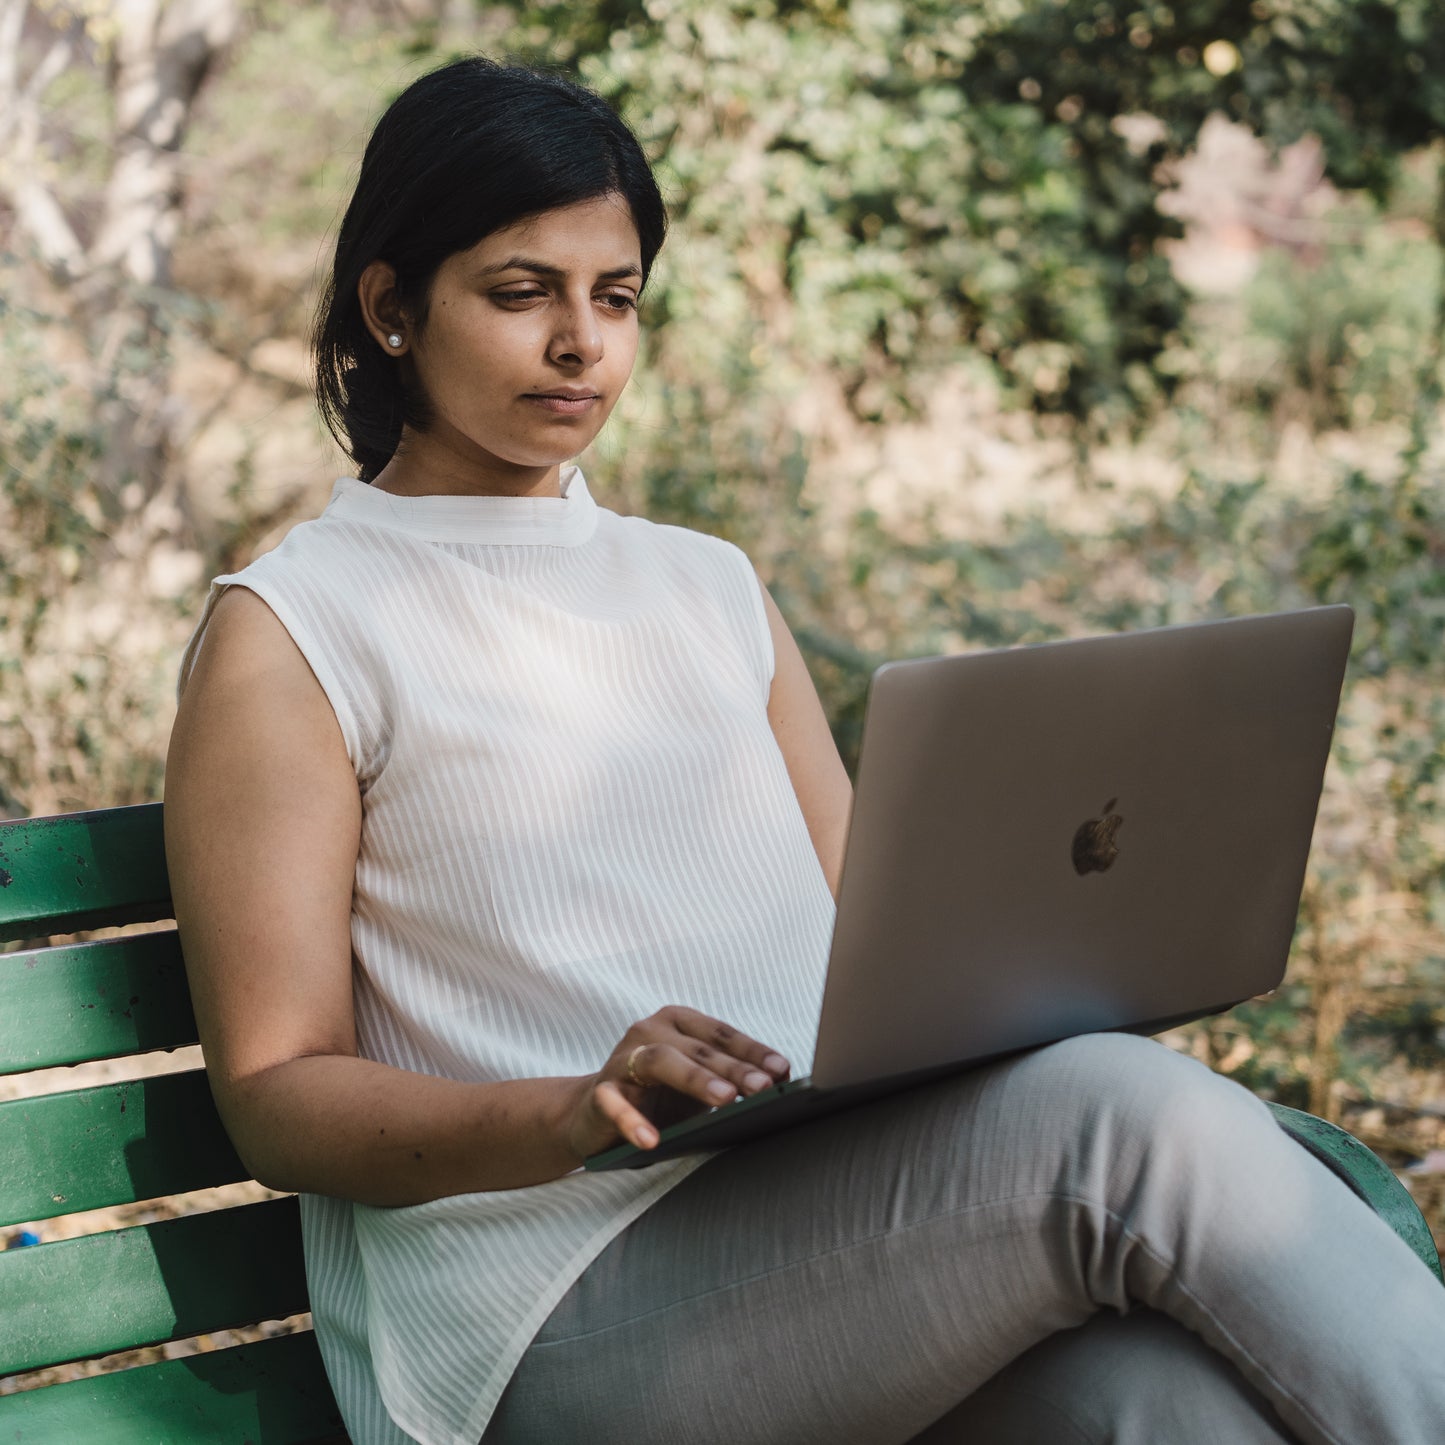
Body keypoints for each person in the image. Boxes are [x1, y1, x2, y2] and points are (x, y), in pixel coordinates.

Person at [163, 56, 1445, 1445]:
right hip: (539, 1306)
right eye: (522, 292)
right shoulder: (297, 628)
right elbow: (278, 1094)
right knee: (1123, 1123)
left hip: (821, 1230)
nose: (581, 344)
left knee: (1167, 1409)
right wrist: (573, 1110)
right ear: (391, 308)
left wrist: (1050, 969)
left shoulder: (706, 583)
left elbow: (870, 941)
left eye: (616, 296)